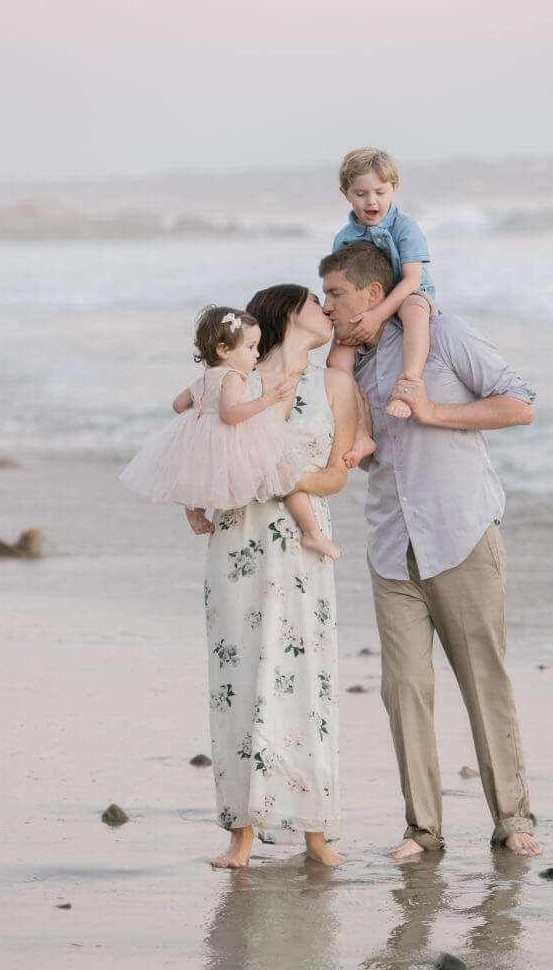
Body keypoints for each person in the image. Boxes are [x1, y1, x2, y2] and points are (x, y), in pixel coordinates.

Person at [320, 240, 543, 858]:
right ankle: (423, 829)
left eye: (336, 294)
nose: (327, 305)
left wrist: (435, 412)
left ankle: (513, 818)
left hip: (460, 534)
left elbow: (520, 405)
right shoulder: (348, 369)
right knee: (404, 689)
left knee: (483, 681)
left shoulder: (443, 335)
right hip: (391, 543)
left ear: (372, 294)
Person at [188, 286, 357, 868]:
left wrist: (287, 478)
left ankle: (316, 830)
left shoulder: (335, 384)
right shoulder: (239, 379)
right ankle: (242, 832)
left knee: (306, 682)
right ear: (288, 313)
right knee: (240, 675)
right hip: (239, 540)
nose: (328, 310)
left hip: (303, 546)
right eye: (317, 302)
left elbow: (337, 474)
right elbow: (201, 442)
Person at [120, 304, 340, 561]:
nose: (256, 354)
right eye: (250, 348)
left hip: (207, 436)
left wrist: (201, 422)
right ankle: (312, 531)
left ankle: (195, 510)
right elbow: (230, 413)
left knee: (206, 475)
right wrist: (266, 401)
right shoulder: (233, 376)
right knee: (283, 472)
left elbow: (178, 405)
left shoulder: (203, 378)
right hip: (234, 434)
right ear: (223, 350)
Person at [327, 147, 436, 467]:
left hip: (408, 295)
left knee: (414, 310)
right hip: (367, 302)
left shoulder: (405, 227)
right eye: (361, 194)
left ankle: (408, 383)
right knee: (340, 354)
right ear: (345, 193)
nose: (371, 201)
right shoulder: (345, 237)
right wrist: (337, 317)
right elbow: (340, 285)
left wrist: (378, 314)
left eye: (379, 192)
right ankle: (358, 428)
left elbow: (412, 279)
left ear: (395, 189)